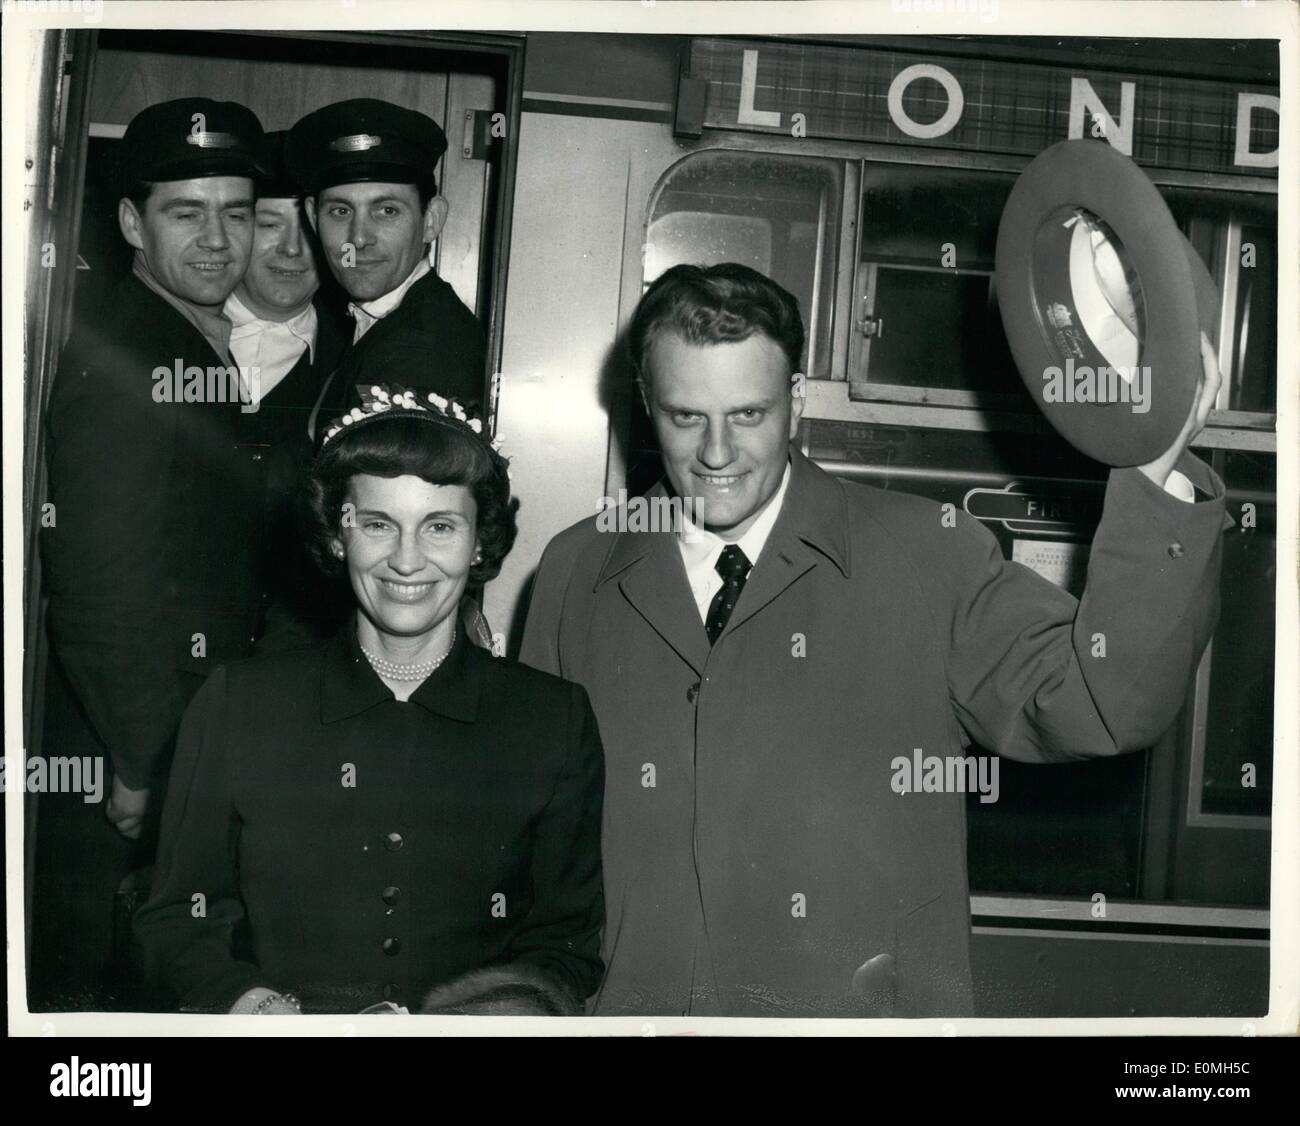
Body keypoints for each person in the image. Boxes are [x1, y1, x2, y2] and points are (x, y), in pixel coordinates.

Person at [519, 262, 1230, 1018]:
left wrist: (1155, 472)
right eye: (685, 417)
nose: (717, 454)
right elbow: (532, 838)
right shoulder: (576, 569)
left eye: (749, 415)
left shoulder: (929, 555)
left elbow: (1100, 701)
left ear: (795, 401)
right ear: (645, 404)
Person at [135, 387, 605, 1015]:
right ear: (337, 536)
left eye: (439, 527)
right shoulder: (239, 705)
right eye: (378, 525)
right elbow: (175, 919)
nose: (406, 561)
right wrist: (254, 1006)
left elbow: (565, 947)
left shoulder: (553, 721)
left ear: (481, 543)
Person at [34, 98, 268, 1009]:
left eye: (237, 212)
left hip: (159, 738)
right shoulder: (131, 350)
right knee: (91, 992)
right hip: (114, 762)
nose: (218, 240)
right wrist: (141, 761)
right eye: (186, 212)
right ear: (132, 222)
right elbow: (99, 576)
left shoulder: (177, 336)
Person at [283, 99, 487, 425]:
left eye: (387, 210)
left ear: (431, 220)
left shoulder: (423, 352)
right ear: (312, 217)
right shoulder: (376, 317)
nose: (359, 239)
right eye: (340, 211)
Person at [224, 129, 350, 649]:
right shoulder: (166, 342)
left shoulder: (358, 362)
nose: (293, 249)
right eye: (269, 224)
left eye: (307, 227)